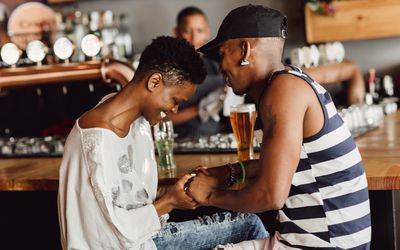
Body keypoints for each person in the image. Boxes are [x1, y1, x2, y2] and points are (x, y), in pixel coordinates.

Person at [187, 5, 371, 249]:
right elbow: (280, 164)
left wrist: (209, 196)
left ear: (244, 50)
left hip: (324, 244)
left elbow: (270, 194)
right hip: (325, 239)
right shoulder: (288, 81)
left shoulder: (284, 91)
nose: (221, 67)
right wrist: (225, 173)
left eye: (222, 54)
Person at [58, 36, 267, 250]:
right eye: (175, 101)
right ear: (154, 82)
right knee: (249, 227)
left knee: (249, 224)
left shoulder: (133, 119)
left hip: (146, 240)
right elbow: (107, 237)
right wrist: (170, 202)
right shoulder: (97, 144)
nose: (175, 110)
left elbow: (130, 198)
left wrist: (176, 192)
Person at [170, 6, 226, 138]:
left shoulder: (217, 64)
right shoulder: (168, 68)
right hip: (181, 141)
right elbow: (162, 119)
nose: (194, 37)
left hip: (215, 140)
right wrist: (201, 109)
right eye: (187, 31)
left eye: (199, 30)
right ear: (176, 32)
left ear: (207, 32)